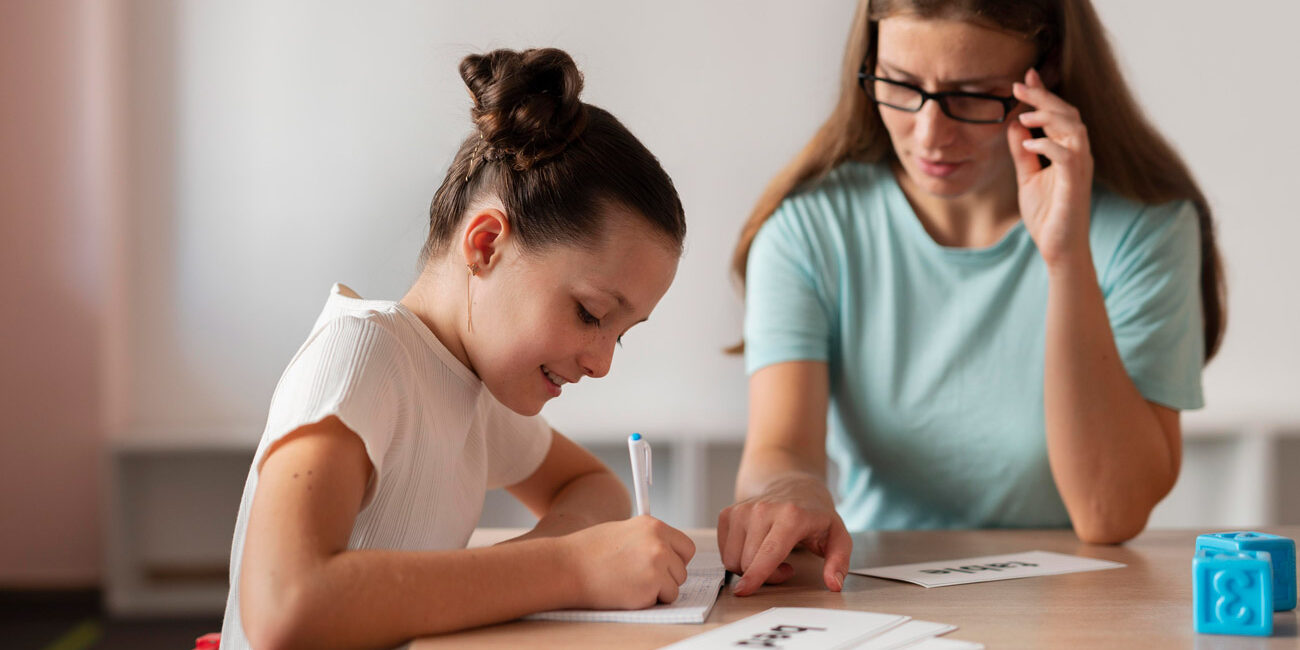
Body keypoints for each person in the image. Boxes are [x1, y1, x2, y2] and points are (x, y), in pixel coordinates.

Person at [717, 0, 1226, 597]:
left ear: (1050, 72)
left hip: (1083, 605)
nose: (931, 134)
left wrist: (1066, 257)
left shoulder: (1147, 228)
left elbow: (1109, 514)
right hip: (875, 588)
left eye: (973, 95)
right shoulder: (809, 228)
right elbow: (780, 449)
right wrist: (789, 493)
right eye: (900, 85)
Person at [219, 48, 695, 649]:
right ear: (487, 243)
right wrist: (572, 569)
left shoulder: (471, 389)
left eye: (620, 334)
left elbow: (594, 487)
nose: (602, 363)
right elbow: (285, 606)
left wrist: (558, 561)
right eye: (591, 314)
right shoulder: (363, 357)